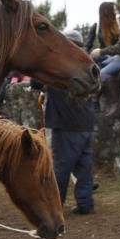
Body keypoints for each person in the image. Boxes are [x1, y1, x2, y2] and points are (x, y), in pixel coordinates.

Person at [42, 29, 96, 215]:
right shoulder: (88, 64)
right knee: (84, 167)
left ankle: (55, 206)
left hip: (66, 126)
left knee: (61, 169)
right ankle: (85, 203)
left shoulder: (60, 66)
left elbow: (36, 82)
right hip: (87, 124)